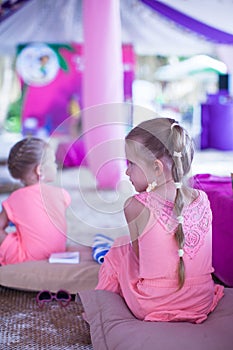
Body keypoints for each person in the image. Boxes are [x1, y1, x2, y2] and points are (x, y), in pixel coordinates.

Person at [95, 117, 224, 324]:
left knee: (119, 249)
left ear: (156, 168)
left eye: (131, 164)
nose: (127, 172)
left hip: (152, 304)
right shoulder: (203, 199)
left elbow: (138, 257)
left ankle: (102, 305)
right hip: (201, 301)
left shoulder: (135, 205)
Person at [0, 137, 71, 265]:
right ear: (40, 170)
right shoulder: (63, 194)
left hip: (24, 258)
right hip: (57, 254)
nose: (56, 165)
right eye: (53, 161)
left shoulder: (14, 199)